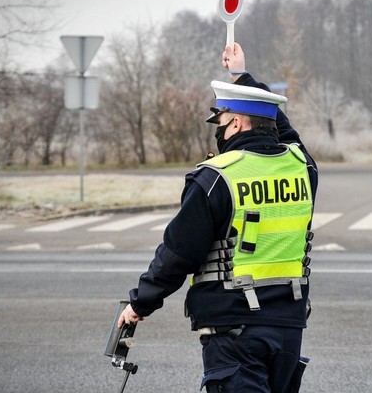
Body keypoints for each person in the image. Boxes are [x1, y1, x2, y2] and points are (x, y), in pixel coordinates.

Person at [117, 42, 318, 392]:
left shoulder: (215, 178)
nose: (218, 130)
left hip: (234, 329)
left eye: (221, 122)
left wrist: (140, 304)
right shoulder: (304, 168)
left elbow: (178, 253)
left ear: (237, 123)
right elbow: (281, 128)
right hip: (289, 325)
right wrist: (242, 77)